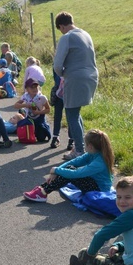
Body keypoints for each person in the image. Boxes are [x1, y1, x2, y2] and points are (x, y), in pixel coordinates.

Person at [53, 11, 98, 161]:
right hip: (91, 76)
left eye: (60, 29)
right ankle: (83, 147)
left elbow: (58, 65)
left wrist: (62, 74)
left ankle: (80, 150)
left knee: (71, 113)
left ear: (61, 26)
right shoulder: (86, 34)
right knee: (76, 113)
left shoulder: (67, 37)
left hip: (75, 77)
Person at [23, 129, 114, 203]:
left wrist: (57, 170)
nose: (84, 147)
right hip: (93, 182)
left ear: (90, 146)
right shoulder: (93, 153)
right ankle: (43, 188)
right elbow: (75, 161)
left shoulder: (100, 162)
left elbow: (78, 173)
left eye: (85, 144)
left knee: (69, 173)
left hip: (99, 190)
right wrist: (56, 170)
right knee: (67, 169)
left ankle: (43, 192)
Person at [13, 78, 51, 142]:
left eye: (36, 87)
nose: (34, 89)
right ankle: (23, 114)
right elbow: (15, 105)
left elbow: (48, 109)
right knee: (26, 136)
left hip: (39, 119)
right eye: (32, 87)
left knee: (41, 138)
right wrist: (25, 105)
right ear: (27, 89)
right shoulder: (25, 96)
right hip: (29, 119)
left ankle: (45, 127)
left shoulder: (41, 97)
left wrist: (38, 112)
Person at [48, 71, 73, 150]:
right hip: (59, 92)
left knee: (71, 117)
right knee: (57, 115)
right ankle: (55, 137)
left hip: (70, 93)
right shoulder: (57, 62)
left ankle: (71, 139)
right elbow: (57, 80)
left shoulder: (72, 62)